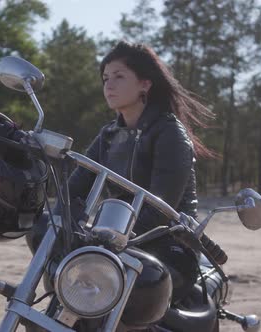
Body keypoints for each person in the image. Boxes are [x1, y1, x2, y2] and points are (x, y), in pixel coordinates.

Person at [58, 40, 215, 302]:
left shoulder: (170, 133)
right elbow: (75, 188)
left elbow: (159, 210)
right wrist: (56, 221)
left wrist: (102, 241)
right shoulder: (108, 134)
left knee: (124, 291)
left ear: (145, 83)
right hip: (114, 244)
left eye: (119, 76)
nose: (109, 84)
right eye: (106, 77)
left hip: (169, 248)